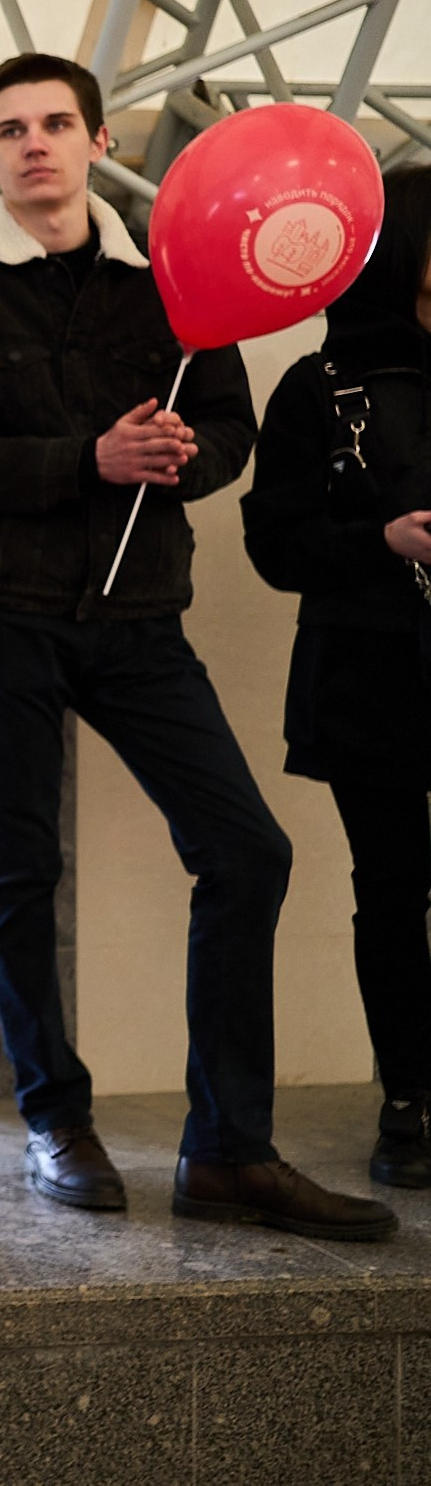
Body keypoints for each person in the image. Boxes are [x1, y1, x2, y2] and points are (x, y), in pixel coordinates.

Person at [0, 51, 394, 1240]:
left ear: (97, 138)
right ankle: (51, 1120)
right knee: (20, 875)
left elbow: (224, 429)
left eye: (55, 123)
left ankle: (225, 1150)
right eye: (9, 129)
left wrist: (183, 460)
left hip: (138, 623)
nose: (34, 145)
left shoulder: (165, 278)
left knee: (247, 852)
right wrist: (89, 456)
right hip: (2, 615)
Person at [241, 164, 431, 1191]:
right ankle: (407, 1098)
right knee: (393, 890)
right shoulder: (320, 386)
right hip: (372, 676)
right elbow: (274, 542)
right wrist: (383, 538)